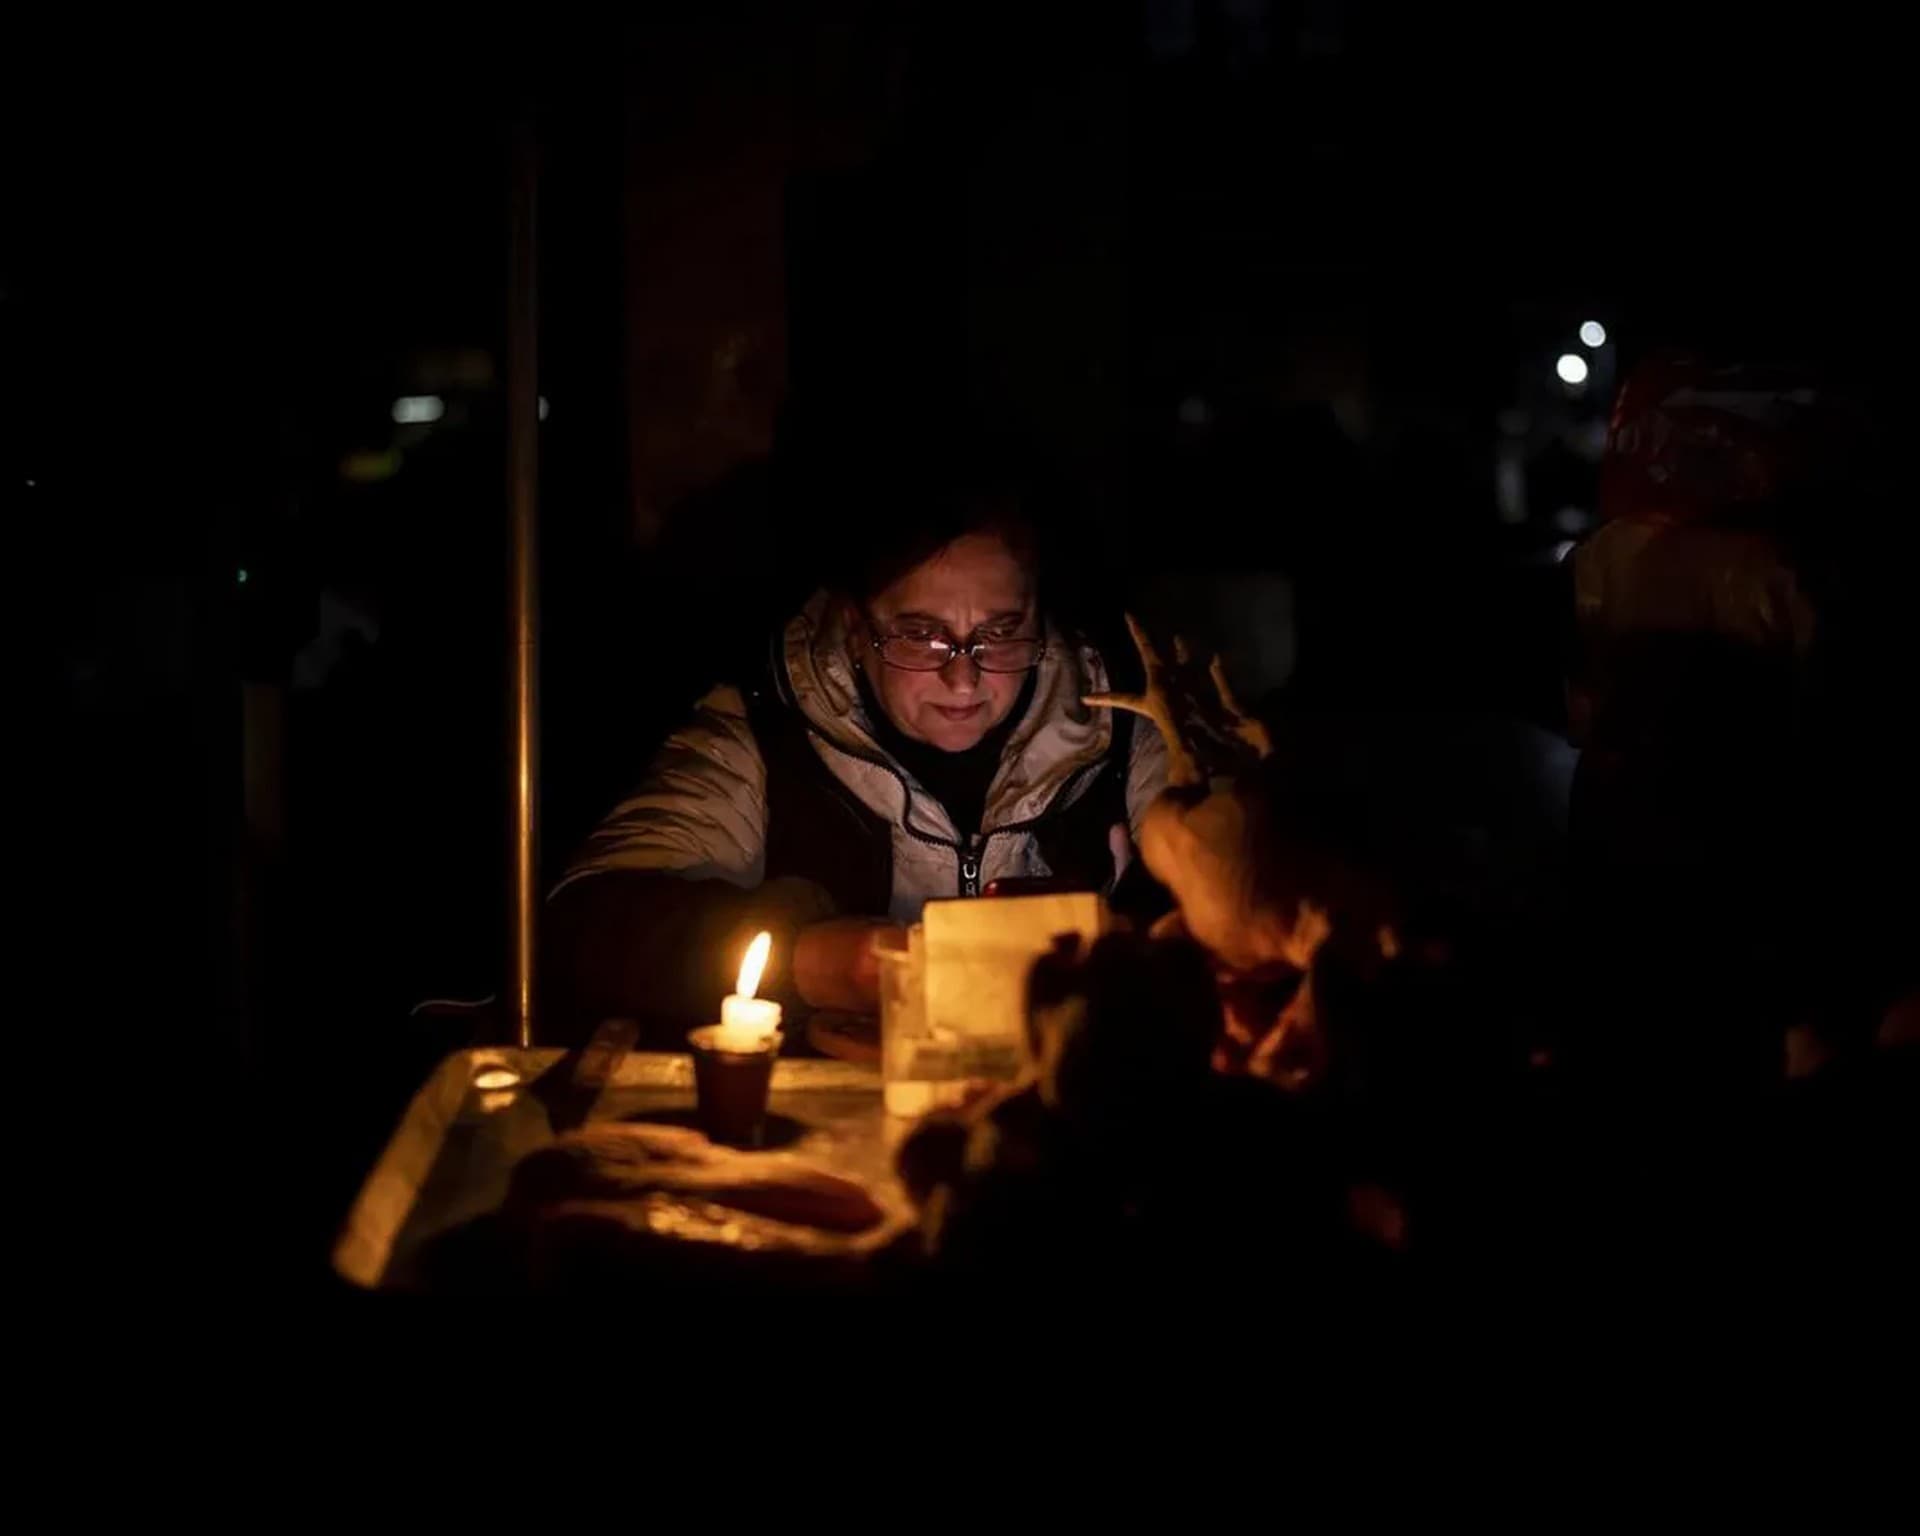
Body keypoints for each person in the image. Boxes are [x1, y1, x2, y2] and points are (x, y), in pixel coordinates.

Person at [544, 463, 1169, 1040]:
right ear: (853, 624)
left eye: (999, 634)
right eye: (921, 636)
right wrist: (813, 960)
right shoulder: (766, 733)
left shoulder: (1123, 722)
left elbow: (1242, 893)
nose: (964, 679)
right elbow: (586, 926)